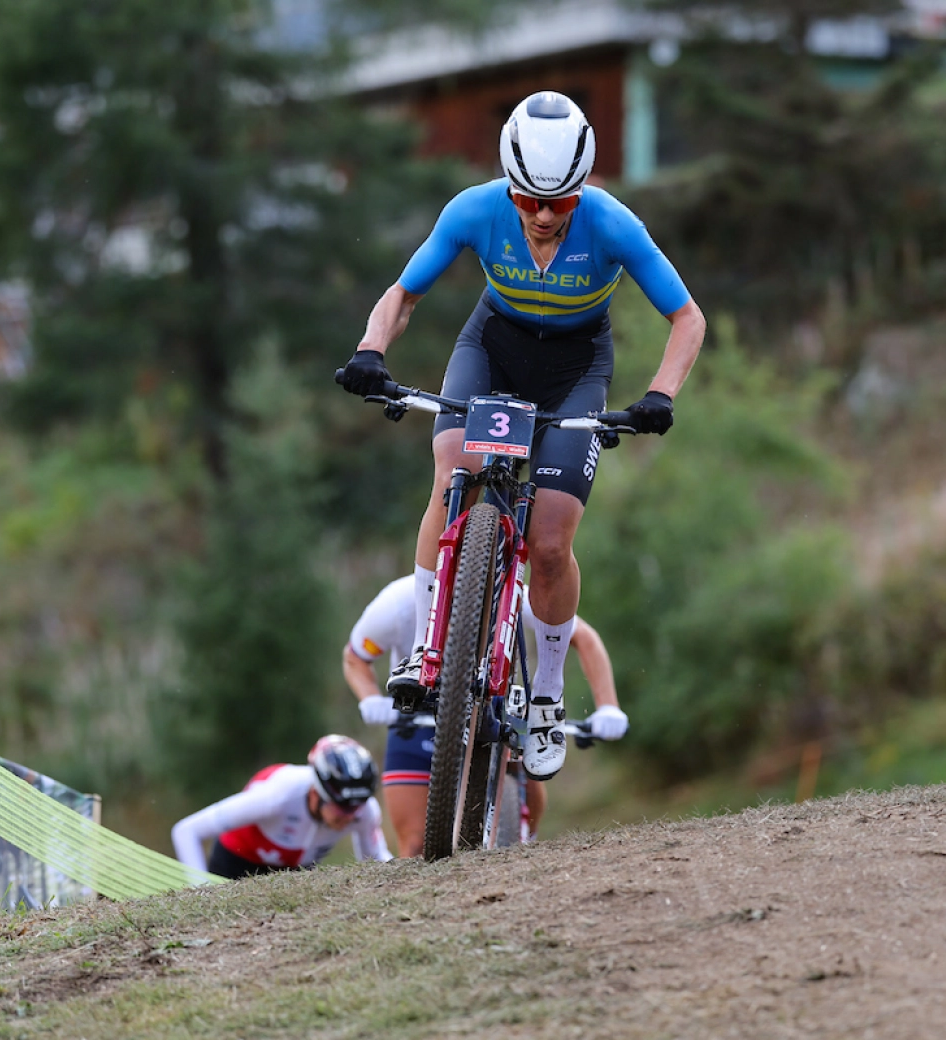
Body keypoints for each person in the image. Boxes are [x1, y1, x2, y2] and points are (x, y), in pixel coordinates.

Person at [337, 89, 704, 783]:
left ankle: (543, 696)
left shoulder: (615, 225)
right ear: (508, 184)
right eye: (527, 199)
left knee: (551, 542)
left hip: (574, 370)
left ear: (582, 188)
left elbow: (689, 319)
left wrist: (661, 394)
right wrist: (370, 349)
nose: (540, 215)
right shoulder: (473, 210)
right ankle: (424, 647)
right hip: (493, 350)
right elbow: (404, 294)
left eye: (559, 202)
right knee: (451, 475)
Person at [343, 574, 627, 857]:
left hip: (488, 704)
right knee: (416, 846)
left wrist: (608, 706)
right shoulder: (397, 604)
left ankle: (524, 835)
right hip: (419, 715)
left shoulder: (507, 595)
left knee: (527, 758)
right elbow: (355, 657)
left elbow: (583, 636)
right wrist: (370, 698)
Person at [170, 735, 392, 878]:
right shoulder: (278, 795)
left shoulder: (364, 810)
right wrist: (202, 891)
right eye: (342, 807)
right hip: (237, 862)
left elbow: (375, 862)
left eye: (357, 808)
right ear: (317, 792)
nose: (350, 816)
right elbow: (186, 831)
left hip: (296, 871)